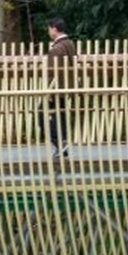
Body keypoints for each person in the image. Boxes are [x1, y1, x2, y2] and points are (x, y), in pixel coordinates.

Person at [44, 18, 77, 161]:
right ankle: (62, 144)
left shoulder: (56, 49)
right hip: (67, 87)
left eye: (49, 28)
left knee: (43, 115)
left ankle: (59, 142)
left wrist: (49, 91)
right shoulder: (70, 44)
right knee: (61, 116)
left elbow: (52, 72)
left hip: (57, 88)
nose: (49, 31)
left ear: (54, 29)